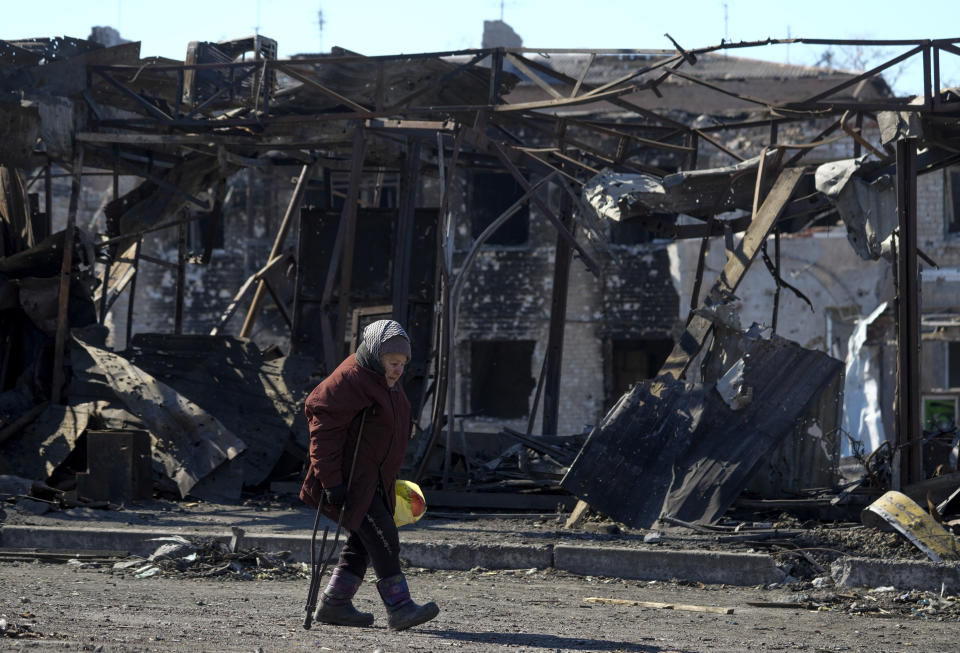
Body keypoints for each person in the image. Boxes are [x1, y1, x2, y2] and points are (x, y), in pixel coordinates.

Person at [299, 319, 439, 631]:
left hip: (375, 479)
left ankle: (335, 604)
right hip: (351, 481)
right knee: (384, 537)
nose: (398, 370)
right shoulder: (350, 379)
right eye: (392, 363)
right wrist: (331, 481)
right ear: (375, 356)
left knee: (364, 542)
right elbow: (323, 429)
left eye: (402, 363)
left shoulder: (383, 378)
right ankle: (400, 607)